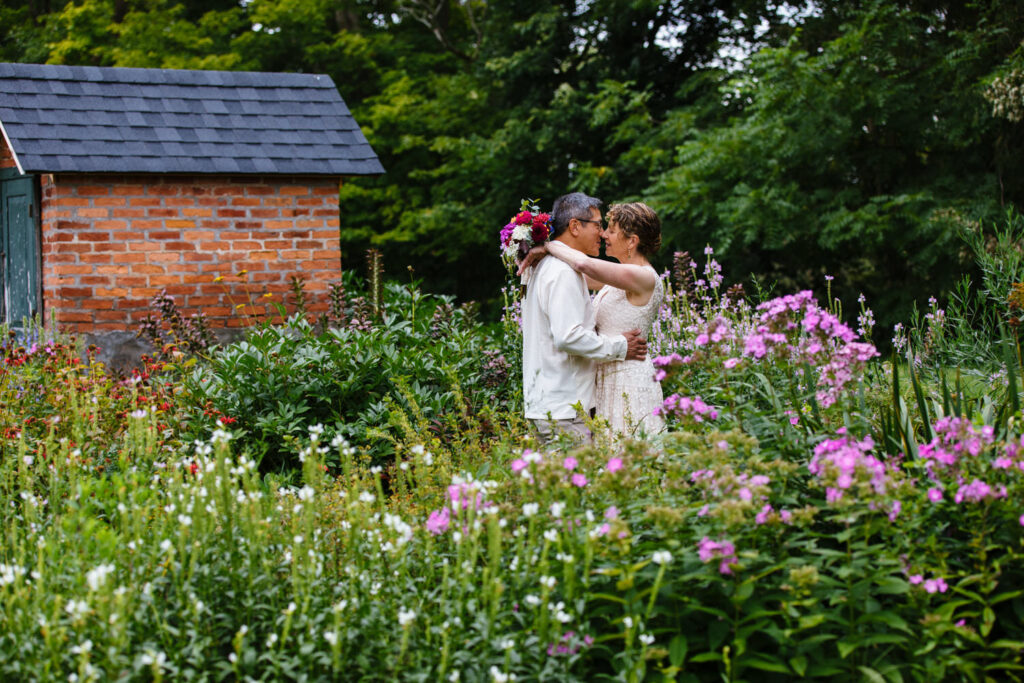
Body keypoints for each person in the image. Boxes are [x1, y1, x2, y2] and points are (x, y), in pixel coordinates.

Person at [521, 201, 665, 437]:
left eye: (611, 230)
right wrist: (538, 261)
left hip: (628, 378)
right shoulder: (618, 278)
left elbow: (582, 264)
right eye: (603, 227)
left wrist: (547, 246)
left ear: (632, 241)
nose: (604, 234)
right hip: (604, 381)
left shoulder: (643, 277)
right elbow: (571, 276)